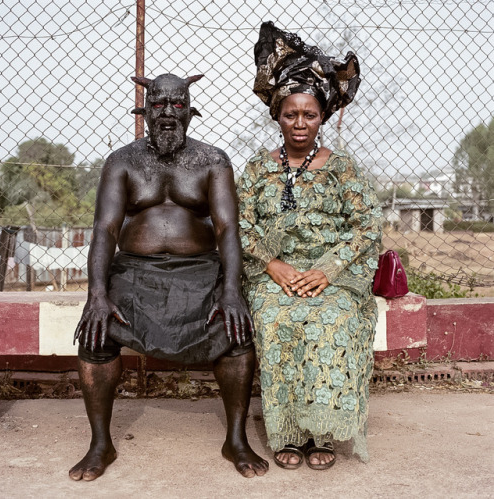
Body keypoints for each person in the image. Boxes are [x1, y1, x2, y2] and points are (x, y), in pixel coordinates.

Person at [70, 73, 269, 480]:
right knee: (96, 331)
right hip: (134, 272)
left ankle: (235, 439)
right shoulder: (122, 161)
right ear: (144, 109)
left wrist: (232, 291)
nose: (167, 113)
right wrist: (97, 293)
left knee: (236, 333)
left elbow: (229, 229)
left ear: (190, 110)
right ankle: (100, 444)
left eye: (177, 105)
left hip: (199, 271)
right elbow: (105, 229)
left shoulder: (212, 160)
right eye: (158, 104)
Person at [236, 22, 383, 470]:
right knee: (278, 319)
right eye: (290, 114)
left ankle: (323, 432)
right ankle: (289, 434)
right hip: (272, 273)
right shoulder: (258, 169)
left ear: (322, 117)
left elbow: (367, 227)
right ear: (277, 116)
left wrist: (327, 271)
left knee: (331, 320)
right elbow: (238, 226)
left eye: (310, 114)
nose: (300, 123)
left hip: (332, 275)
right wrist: (274, 266)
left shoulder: (343, 168)